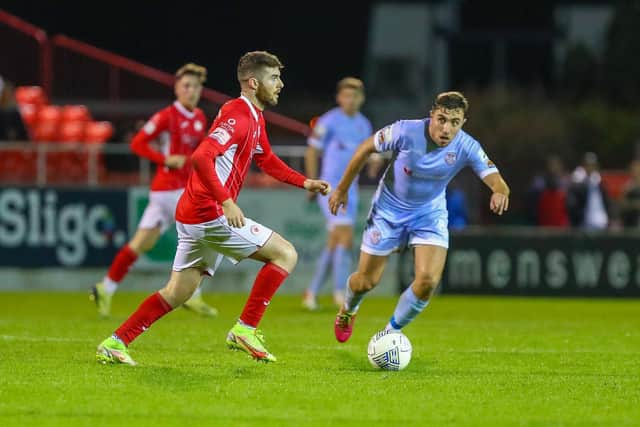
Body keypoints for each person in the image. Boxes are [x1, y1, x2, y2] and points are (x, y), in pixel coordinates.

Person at [95, 51, 330, 365]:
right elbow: (201, 157)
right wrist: (227, 201)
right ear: (252, 82)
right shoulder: (239, 115)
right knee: (286, 253)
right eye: (274, 78)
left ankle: (117, 341)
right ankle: (245, 328)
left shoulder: (254, 116)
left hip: (194, 213)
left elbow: (267, 160)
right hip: (209, 213)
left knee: (179, 291)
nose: (281, 84)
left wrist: (305, 182)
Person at [328, 91, 510, 342]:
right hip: (388, 211)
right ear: (431, 116)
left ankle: (389, 334)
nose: (446, 128)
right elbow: (365, 148)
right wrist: (342, 188)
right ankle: (348, 309)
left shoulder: (467, 146)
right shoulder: (405, 131)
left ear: (463, 123)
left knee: (426, 282)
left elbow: (499, 183)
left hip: (429, 214)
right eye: (442, 119)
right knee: (367, 281)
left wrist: (499, 192)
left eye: (454, 122)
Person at [90, 63, 217, 318]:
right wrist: (164, 159)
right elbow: (138, 143)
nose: (191, 91)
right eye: (186, 86)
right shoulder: (167, 116)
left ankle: (105, 287)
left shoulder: (200, 117)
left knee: (140, 244)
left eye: (195, 87)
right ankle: (192, 295)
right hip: (171, 189)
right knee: (201, 235)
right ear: (177, 89)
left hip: (174, 191)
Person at [302, 77, 372, 310]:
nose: (351, 100)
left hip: (350, 189)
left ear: (361, 99)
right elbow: (312, 152)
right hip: (330, 187)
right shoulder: (328, 121)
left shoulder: (364, 125)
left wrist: (373, 162)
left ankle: (311, 292)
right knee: (344, 235)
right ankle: (339, 292)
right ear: (339, 97)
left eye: (355, 96)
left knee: (335, 241)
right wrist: (312, 182)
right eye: (347, 95)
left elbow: (366, 155)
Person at [567, 152, 611, 230]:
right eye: (588, 165)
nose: (590, 167)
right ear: (583, 166)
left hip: (602, 225)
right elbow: (572, 206)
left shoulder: (600, 183)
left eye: (593, 165)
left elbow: (607, 203)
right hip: (584, 226)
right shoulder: (577, 184)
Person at [619, 159, 640, 228]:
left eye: (637, 170)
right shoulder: (627, 187)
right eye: (633, 170)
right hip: (631, 222)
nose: (635, 172)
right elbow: (622, 203)